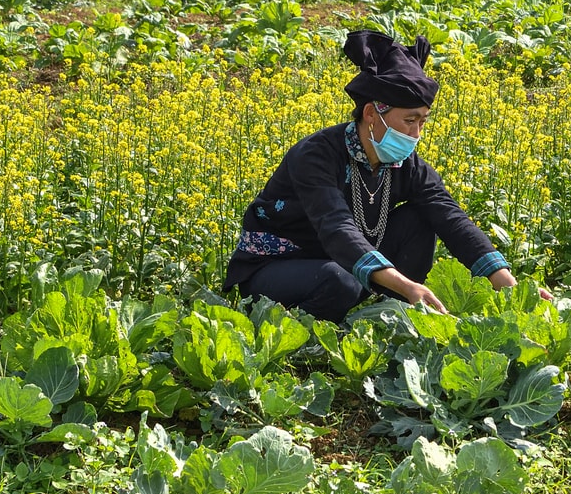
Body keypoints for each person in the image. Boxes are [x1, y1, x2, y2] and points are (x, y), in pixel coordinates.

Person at [223, 30, 548, 322]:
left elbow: (451, 218)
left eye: (422, 121)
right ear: (371, 114)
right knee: (339, 281)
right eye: (409, 120)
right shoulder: (318, 154)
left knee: (423, 218)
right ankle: (302, 332)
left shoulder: (404, 162)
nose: (416, 133)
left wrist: (510, 287)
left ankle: (382, 310)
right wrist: (408, 284)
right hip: (280, 266)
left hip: (346, 264)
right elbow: (336, 227)